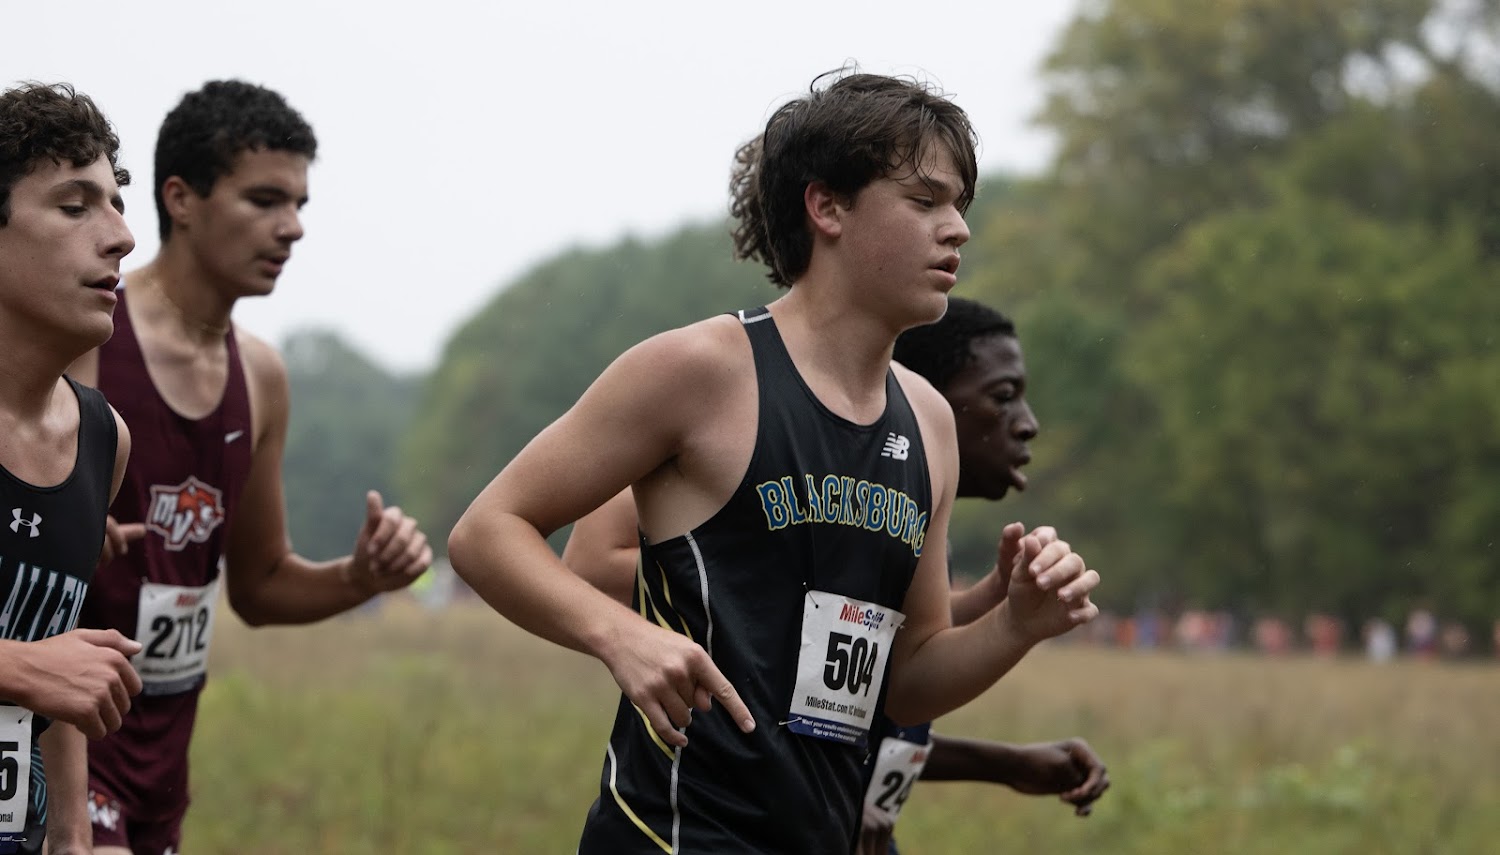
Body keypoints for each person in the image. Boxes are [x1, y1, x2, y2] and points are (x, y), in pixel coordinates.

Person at [448, 70, 1100, 853]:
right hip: (674, 836)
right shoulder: (699, 371)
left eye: (960, 204)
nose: (957, 228)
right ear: (827, 207)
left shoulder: (929, 421)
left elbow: (907, 680)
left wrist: (1017, 624)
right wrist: (619, 635)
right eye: (924, 200)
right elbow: (488, 531)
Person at [562, 298, 1111, 855]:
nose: (1029, 424)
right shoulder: (730, 409)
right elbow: (597, 562)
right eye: (1003, 396)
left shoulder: (905, 509)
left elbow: (868, 687)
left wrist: (1001, 611)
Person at [67, 80, 434, 855]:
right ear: (181, 198)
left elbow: (260, 585)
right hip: (66, 747)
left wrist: (361, 576)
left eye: (299, 203)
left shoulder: (262, 376)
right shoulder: (87, 339)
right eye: (265, 200)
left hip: (164, 766)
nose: (292, 227)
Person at [0, 81, 144, 855]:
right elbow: (40, 665)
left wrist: (73, 834)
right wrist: (17, 667)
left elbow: (60, 654)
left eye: (117, 204)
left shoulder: (102, 438)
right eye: (74, 206)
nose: (121, 237)